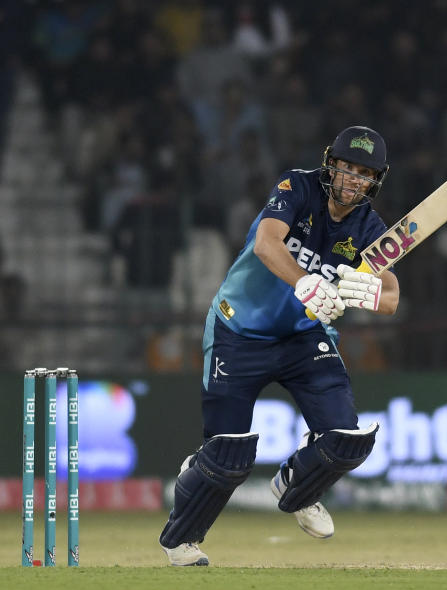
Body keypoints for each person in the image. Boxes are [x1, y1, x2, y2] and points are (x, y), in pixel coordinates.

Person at [159, 126, 400, 566]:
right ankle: (182, 540)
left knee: (347, 438)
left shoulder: (369, 226)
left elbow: (392, 296)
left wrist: (358, 293)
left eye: (363, 173)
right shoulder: (297, 187)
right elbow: (269, 244)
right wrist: (308, 283)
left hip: (304, 338)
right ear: (330, 164)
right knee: (227, 457)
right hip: (240, 330)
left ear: (375, 180)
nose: (351, 179)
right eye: (345, 167)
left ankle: (296, 485)